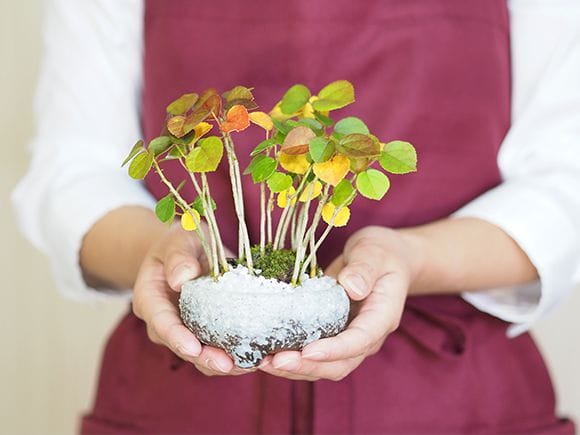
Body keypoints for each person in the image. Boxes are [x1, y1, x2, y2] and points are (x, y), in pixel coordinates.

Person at [13, 0, 580, 433]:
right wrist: (164, 251)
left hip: (456, 400)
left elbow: (566, 180)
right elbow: (73, 174)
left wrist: (414, 258)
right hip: (181, 396)